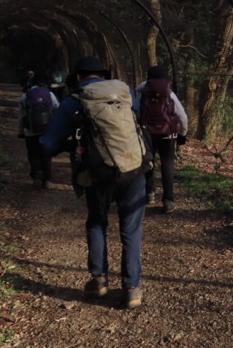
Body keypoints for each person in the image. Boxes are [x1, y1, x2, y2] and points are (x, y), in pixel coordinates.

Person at [39, 56, 147, 309]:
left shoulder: (72, 102)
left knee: (97, 222)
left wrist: (65, 145)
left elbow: (48, 143)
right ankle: (132, 288)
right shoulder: (125, 93)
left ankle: (99, 279)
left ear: (78, 77)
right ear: (104, 75)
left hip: (99, 174)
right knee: (131, 229)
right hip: (134, 169)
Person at [135, 65, 188, 214]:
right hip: (168, 135)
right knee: (168, 166)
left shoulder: (141, 92)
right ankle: (168, 201)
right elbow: (182, 116)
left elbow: (136, 112)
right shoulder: (169, 93)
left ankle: (149, 194)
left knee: (148, 162)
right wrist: (182, 134)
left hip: (147, 134)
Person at [18, 73, 59, 189]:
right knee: (46, 155)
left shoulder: (25, 96)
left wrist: (21, 131)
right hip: (47, 130)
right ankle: (47, 180)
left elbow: (21, 116)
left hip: (30, 132)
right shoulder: (50, 94)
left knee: (33, 154)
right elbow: (57, 109)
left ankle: (36, 175)